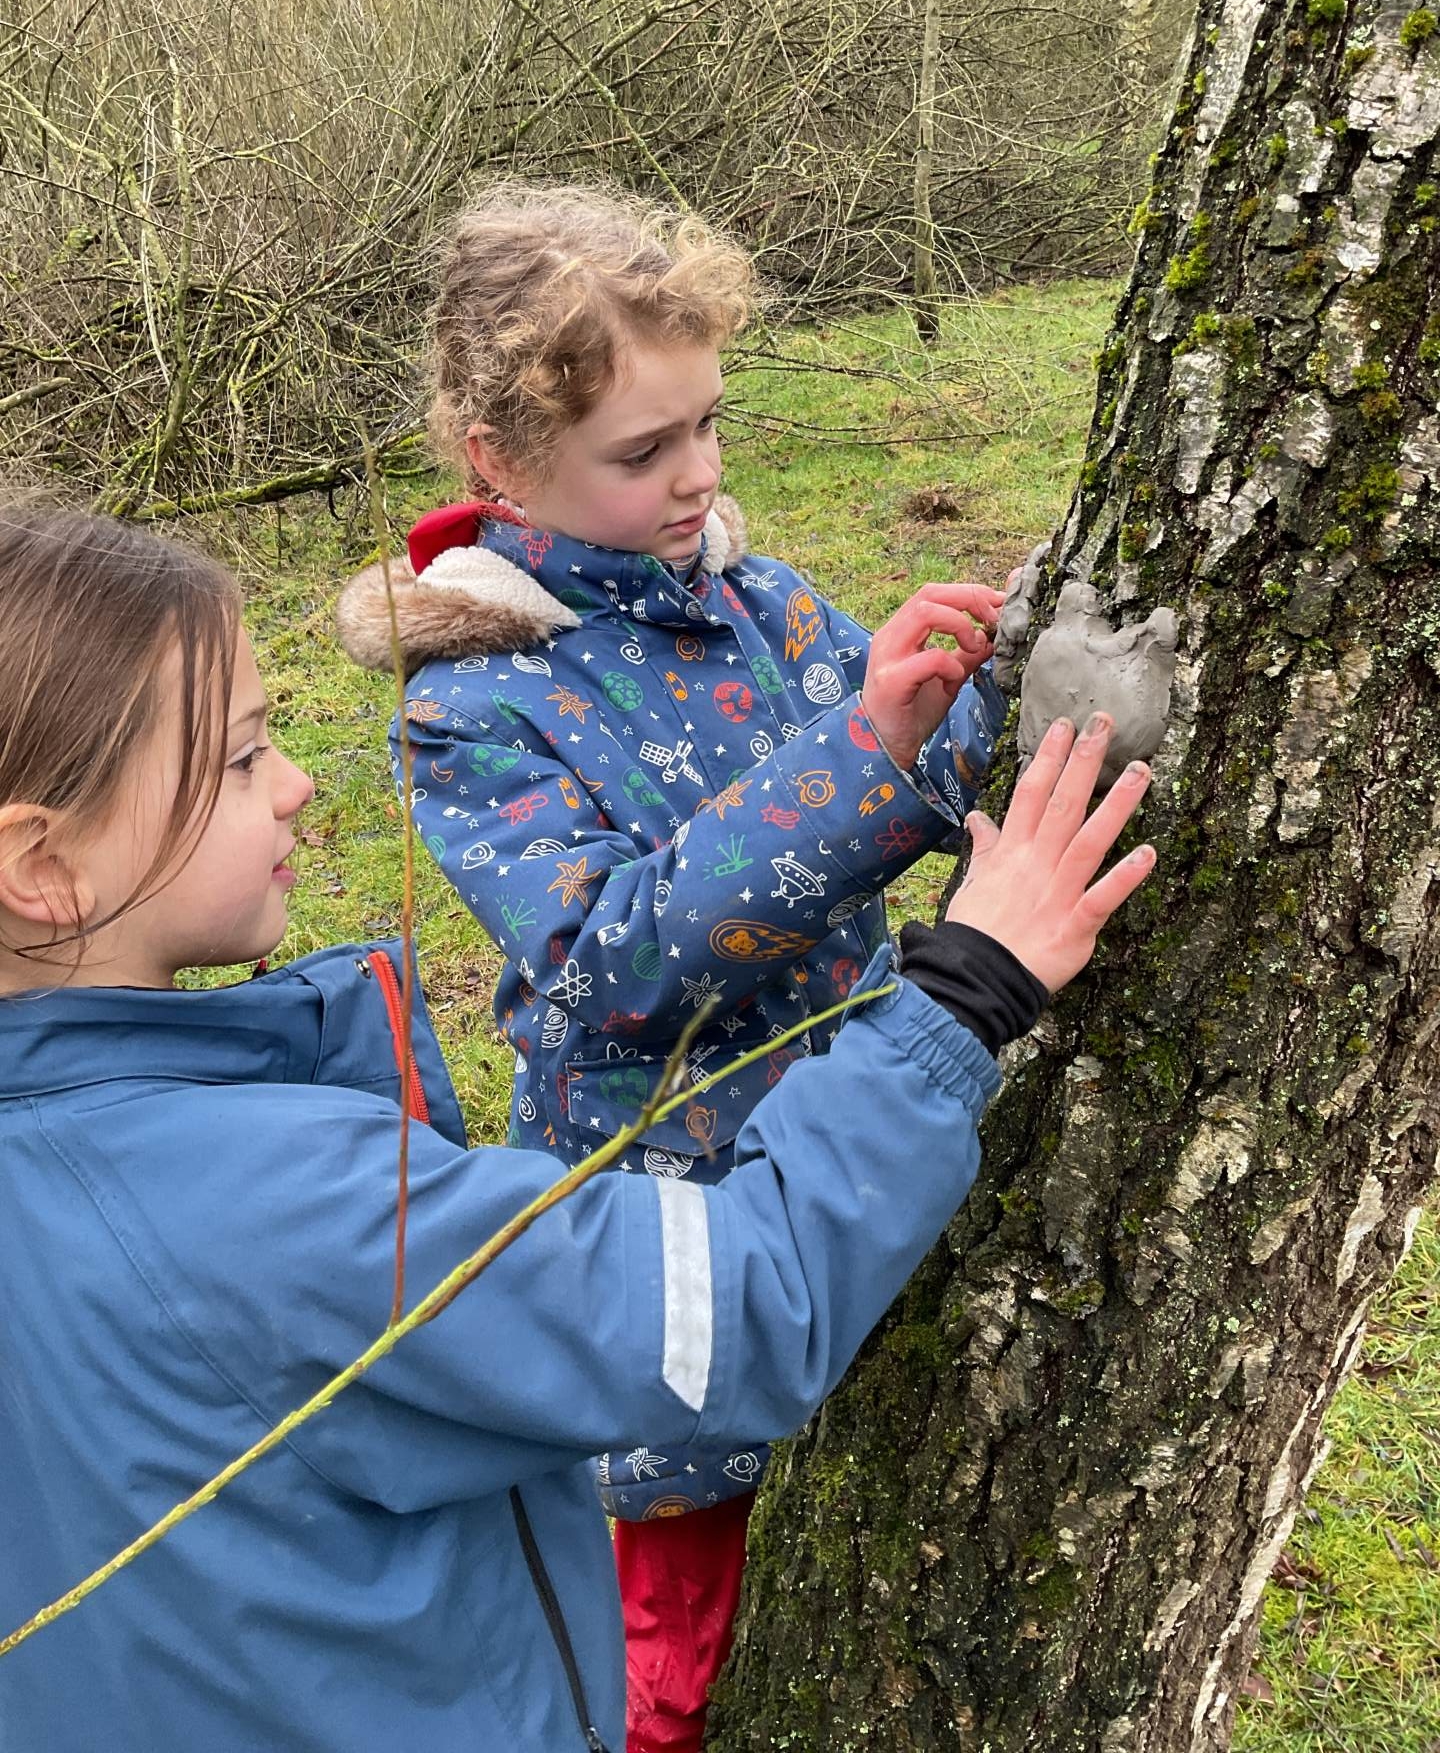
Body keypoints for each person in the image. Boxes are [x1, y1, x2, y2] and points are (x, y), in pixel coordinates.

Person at [0, 506, 1153, 1753]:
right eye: (238, 759)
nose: (296, 784)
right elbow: (746, 1301)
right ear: (42, 865)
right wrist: (965, 991)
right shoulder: (266, 1202)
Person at [336, 181, 1013, 1749]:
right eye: (644, 451)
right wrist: (863, 757)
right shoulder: (473, 704)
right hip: (668, 1236)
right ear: (498, 463)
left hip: (849, 1160)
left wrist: (983, 684)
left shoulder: (756, 599)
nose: (699, 474)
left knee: (862, 1539)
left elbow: (910, 767)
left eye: (708, 423)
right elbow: (606, 968)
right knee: (669, 1655)